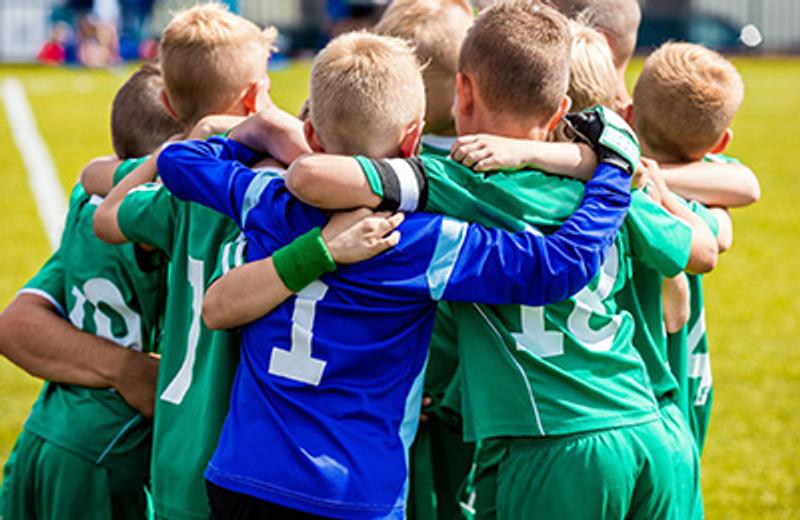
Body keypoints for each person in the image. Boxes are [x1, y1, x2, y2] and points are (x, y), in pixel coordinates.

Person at [155, 30, 636, 518]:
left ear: (315, 135)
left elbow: (178, 162)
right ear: (413, 138)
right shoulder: (423, 241)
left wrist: (254, 132)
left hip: (246, 476)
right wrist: (614, 174)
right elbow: (556, 268)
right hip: (355, 491)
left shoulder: (269, 199)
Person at [262, 3, 715, 518]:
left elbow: (317, 178)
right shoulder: (605, 186)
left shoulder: (461, 182)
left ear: (464, 91)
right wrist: (586, 160)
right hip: (647, 427)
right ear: (560, 110)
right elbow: (700, 251)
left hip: (552, 438)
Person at [0, 64, 179, 520]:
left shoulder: (85, 207)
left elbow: (15, 324)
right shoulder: (163, 222)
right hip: (111, 450)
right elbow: (16, 327)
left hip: (49, 434)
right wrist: (127, 369)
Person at [629, 41, 759, 453]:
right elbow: (725, 225)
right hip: (681, 385)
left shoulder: (618, 179)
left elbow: (746, 186)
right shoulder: (692, 195)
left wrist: (648, 172)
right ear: (721, 143)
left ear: (629, 116)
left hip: (620, 393)